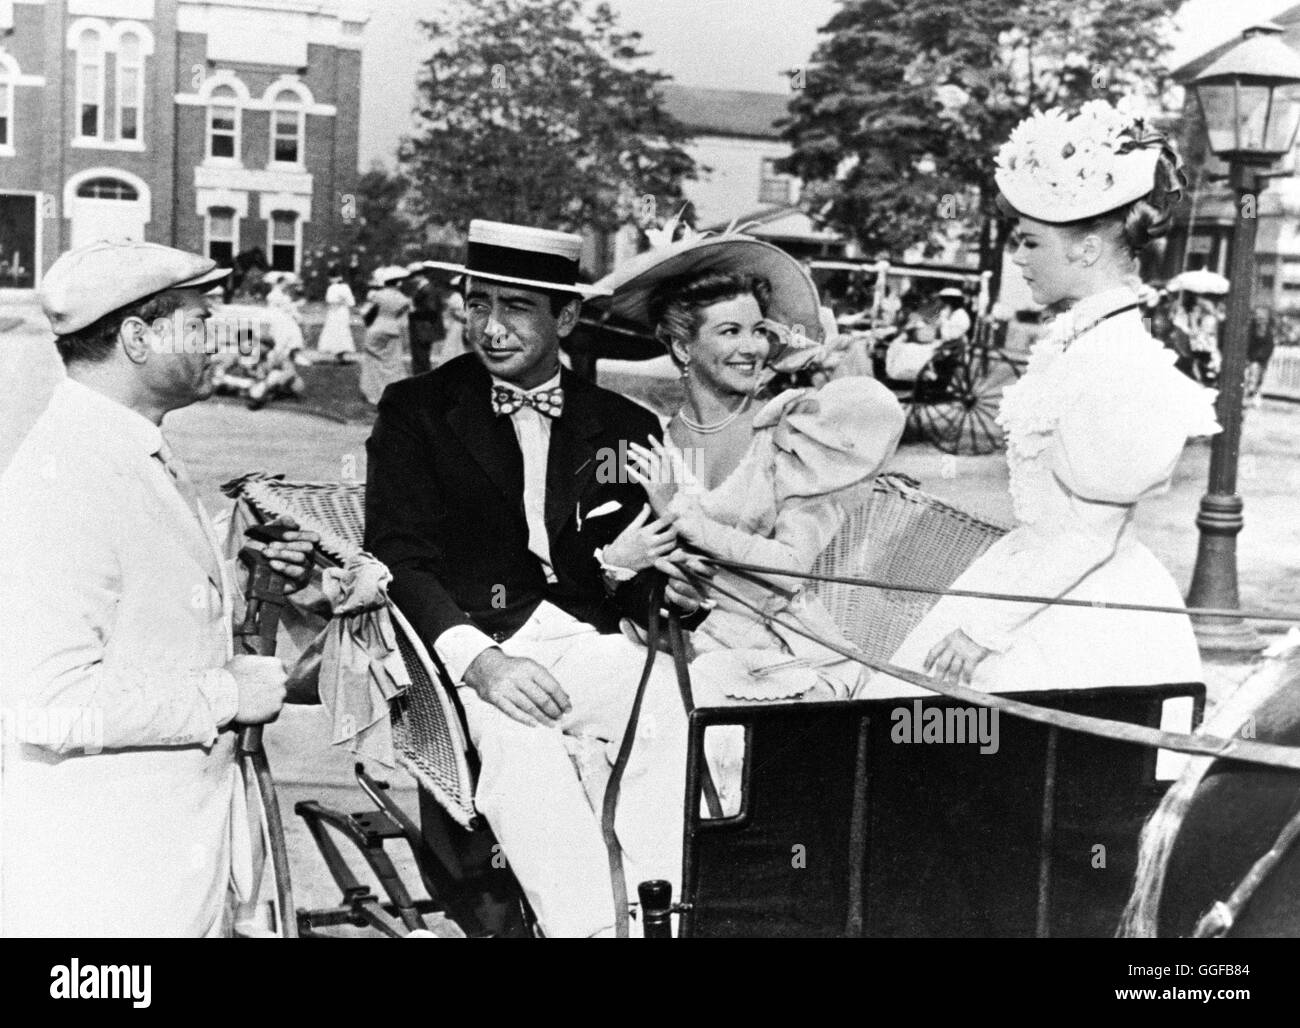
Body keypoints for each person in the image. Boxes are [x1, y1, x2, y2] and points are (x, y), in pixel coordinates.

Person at [366, 220, 708, 938]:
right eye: (478, 304)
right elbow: (400, 559)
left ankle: (663, 922)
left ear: (568, 317)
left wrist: (661, 591)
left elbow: (629, 564)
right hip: (469, 650)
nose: (490, 328)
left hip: (582, 637)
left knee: (668, 713)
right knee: (525, 758)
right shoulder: (417, 412)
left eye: (516, 307)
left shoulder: (622, 423)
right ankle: (583, 934)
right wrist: (482, 665)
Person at [0, 240, 319, 936]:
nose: (217, 340)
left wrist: (240, 575)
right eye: (200, 321)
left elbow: (140, 613)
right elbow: (44, 704)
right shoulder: (63, 479)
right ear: (138, 338)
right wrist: (228, 693)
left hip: (171, 861)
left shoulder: (129, 445)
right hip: (107, 884)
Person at [869, 99, 1220, 698]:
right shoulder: (1081, 341)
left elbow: (1090, 534)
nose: (1018, 257)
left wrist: (985, 630)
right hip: (1028, 576)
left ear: (1085, 249)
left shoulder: (1118, 360)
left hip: (1082, 612)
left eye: (1031, 242)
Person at [594, 233, 905, 704]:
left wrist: (683, 514)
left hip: (784, 654)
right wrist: (619, 565)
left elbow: (792, 567)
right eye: (730, 331)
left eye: (760, 330)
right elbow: (613, 552)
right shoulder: (650, 439)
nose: (753, 347)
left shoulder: (789, 435)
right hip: (679, 644)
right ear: (682, 348)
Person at [360, 266, 413, 406]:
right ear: (398, 283)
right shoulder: (403, 299)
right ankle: (393, 392)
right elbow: (403, 321)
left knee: (373, 360)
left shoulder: (377, 295)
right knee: (392, 362)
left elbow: (366, 312)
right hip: (393, 328)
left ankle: (373, 393)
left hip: (377, 327)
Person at [406, 266, 448, 375]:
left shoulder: (427, 289)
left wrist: (414, 310)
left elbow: (431, 309)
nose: (411, 279)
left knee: (421, 358)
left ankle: (422, 382)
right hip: (421, 328)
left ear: (419, 275)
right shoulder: (424, 288)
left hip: (423, 328)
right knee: (420, 357)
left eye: (412, 276)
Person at [318, 266, 357, 362]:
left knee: (342, 330)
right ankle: (337, 353)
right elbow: (329, 301)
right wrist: (340, 301)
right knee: (334, 330)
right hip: (334, 312)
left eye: (334, 277)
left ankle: (341, 354)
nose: (332, 280)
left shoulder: (345, 287)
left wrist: (342, 300)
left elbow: (351, 302)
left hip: (342, 312)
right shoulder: (331, 288)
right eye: (331, 278)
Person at [1246, 306, 1277, 407]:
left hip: (1262, 357)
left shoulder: (1268, 331)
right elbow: (1248, 342)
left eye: (1263, 318)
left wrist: (1263, 356)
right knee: (1252, 374)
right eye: (1258, 318)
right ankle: (1251, 392)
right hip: (1252, 356)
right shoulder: (1251, 328)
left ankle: (1255, 393)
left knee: (1259, 376)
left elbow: (1270, 345)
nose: (1260, 320)